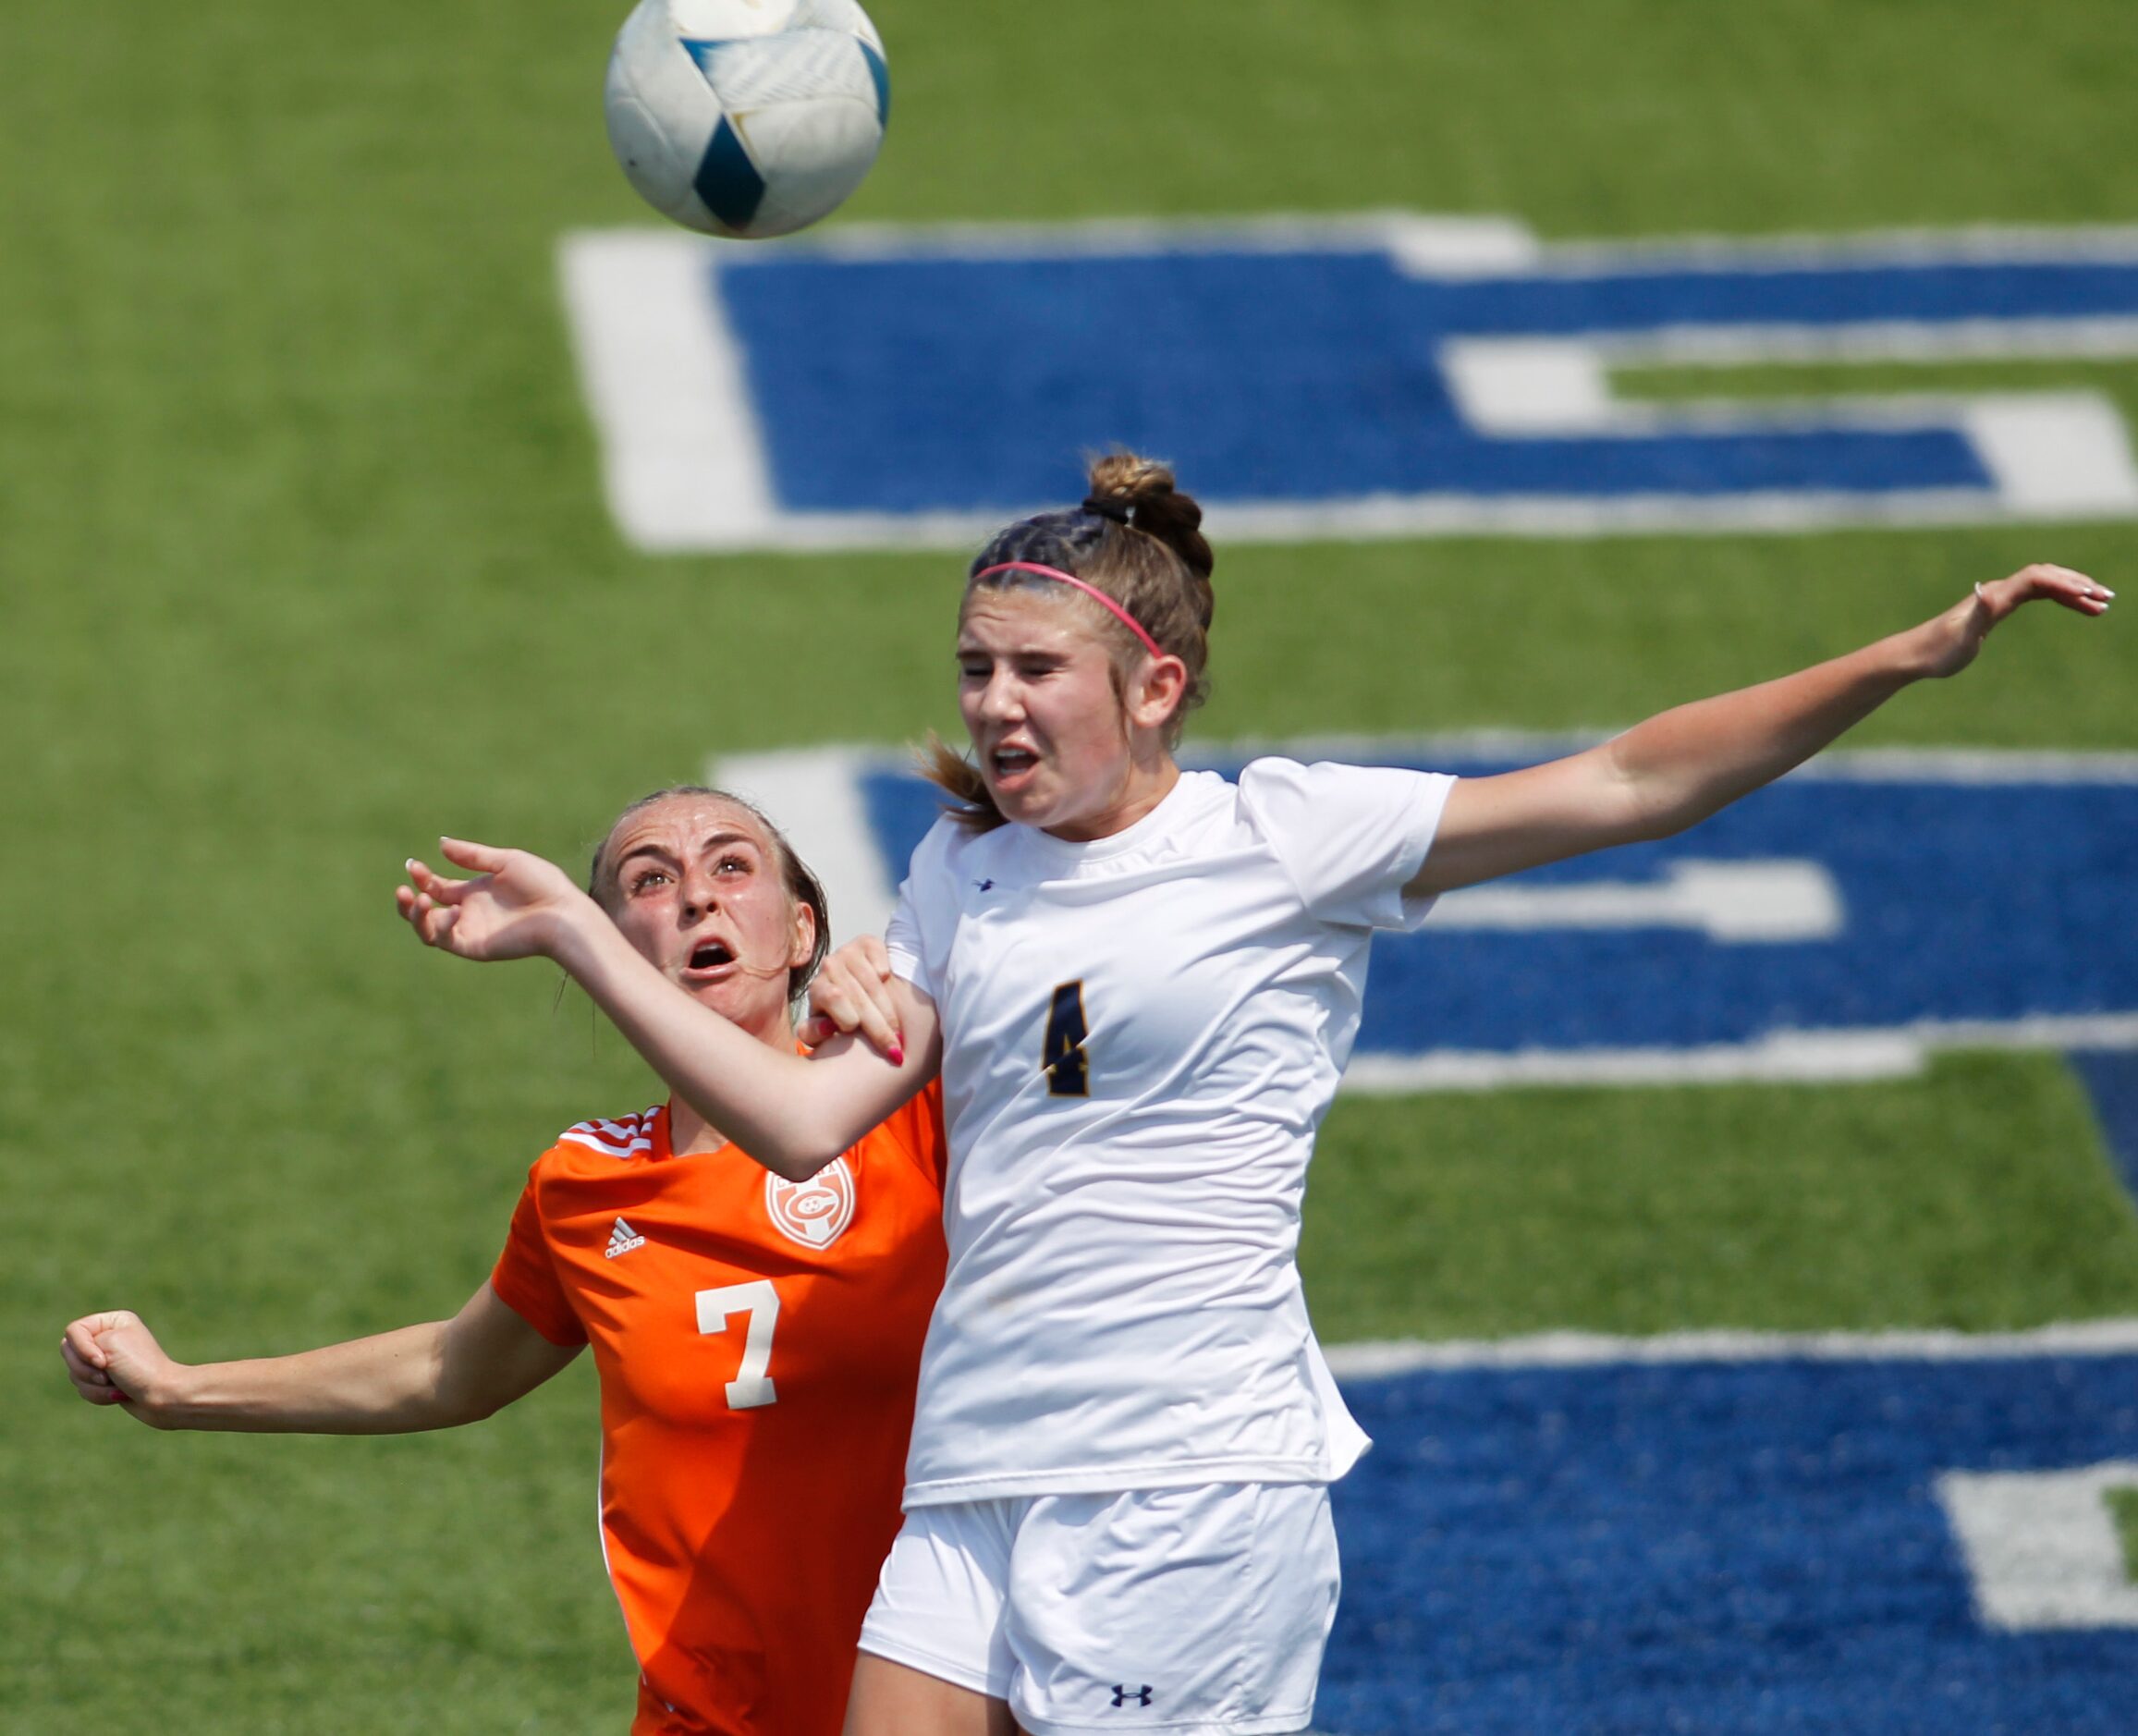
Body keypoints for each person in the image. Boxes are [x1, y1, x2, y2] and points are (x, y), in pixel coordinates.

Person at [396, 454, 2112, 1736]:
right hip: (978, 1475)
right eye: (973, 671)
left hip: (1190, 1481)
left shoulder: (1279, 837)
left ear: (1152, 686)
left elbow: (1627, 779)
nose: (990, 705)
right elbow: (792, 1123)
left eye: (1031, 672)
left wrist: (1901, 653)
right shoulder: (956, 872)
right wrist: (584, 942)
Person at [62, 788, 949, 1736]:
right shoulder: (585, 1184)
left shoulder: (925, 1112)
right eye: (651, 880)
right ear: (611, 949)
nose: (697, 897)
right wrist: (183, 1390)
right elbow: (452, 1368)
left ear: (804, 926)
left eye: (733, 866)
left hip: (945, 1699)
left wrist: (915, 971)